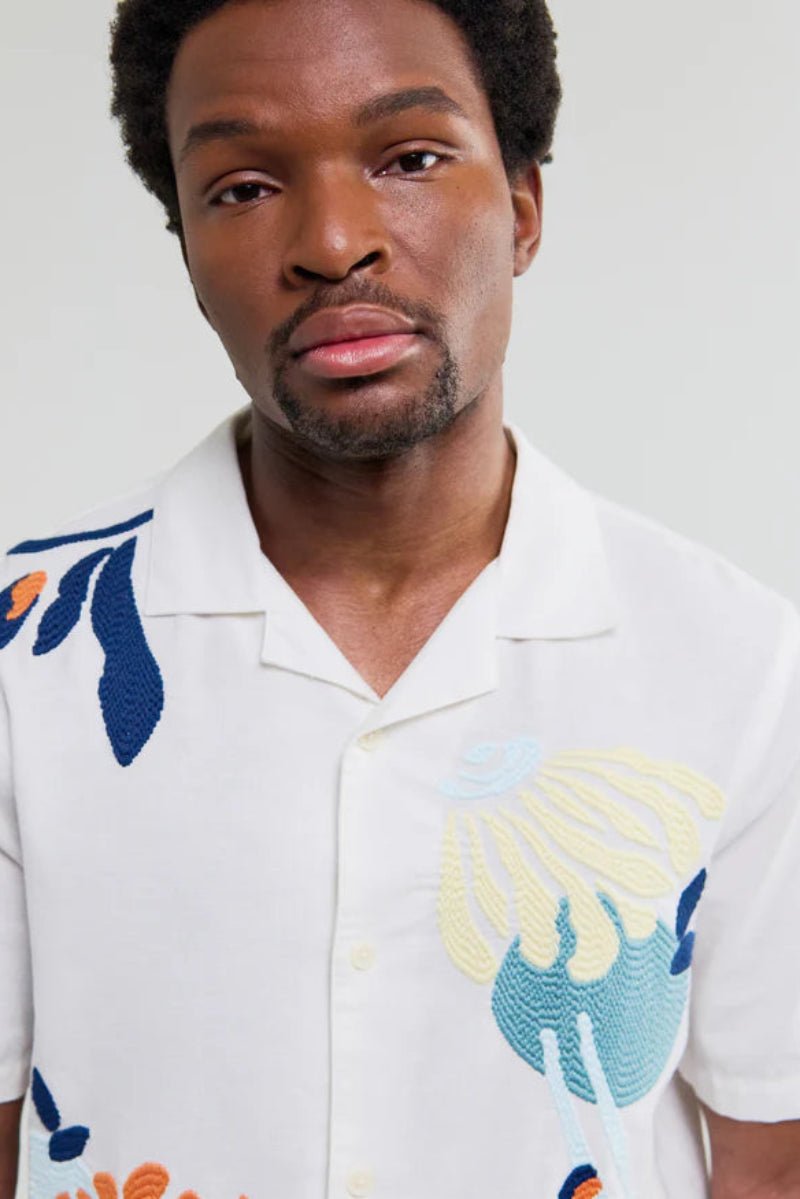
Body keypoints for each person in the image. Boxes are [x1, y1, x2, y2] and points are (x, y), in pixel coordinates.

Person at [1, 0, 798, 1195]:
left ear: (522, 207)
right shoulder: (29, 656)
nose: (332, 240)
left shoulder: (733, 661)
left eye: (408, 158)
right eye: (242, 186)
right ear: (183, 248)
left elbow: (766, 1157)